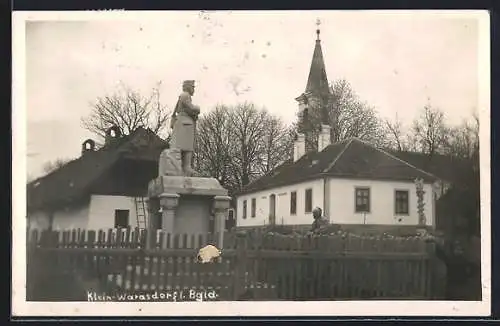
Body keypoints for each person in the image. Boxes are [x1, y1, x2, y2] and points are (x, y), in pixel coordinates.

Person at [169, 80, 201, 176]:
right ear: (188, 87)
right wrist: (198, 108)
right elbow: (191, 108)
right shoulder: (185, 95)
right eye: (193, 87)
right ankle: (186, 167)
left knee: (187, 146)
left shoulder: (184, 96)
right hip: (185, 123)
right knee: (186, 146)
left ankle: (186, 166)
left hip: (185, 122)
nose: (194, 89)